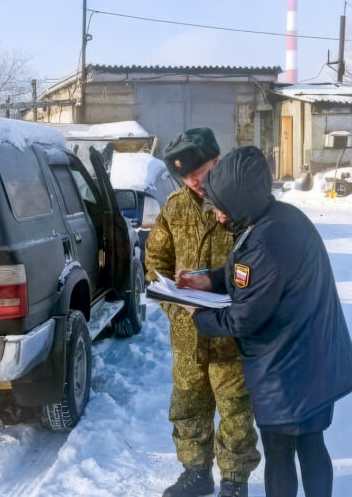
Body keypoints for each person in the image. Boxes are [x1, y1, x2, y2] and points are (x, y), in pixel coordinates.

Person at [180, 146, 352, 497]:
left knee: (280, 453)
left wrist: (199, 316)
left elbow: (243, 317)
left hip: (287, 370)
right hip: (313, 359)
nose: (216, 214)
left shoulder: (263, 241)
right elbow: (253, 277)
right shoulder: (279, 218)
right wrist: (211, 280)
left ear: (239, 199)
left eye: (220, 206)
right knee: (311, 445)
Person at [145, 128, 260, 497]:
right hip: (188, 333)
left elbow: (261, 262)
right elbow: (155, 260)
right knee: (188, 408)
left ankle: (234, 481)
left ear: (218, 161)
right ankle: (196, 473)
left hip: (231, 333)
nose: (194, 180)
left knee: (236, 413)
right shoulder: (175, 206)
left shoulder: (242, 205)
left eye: (201, 170)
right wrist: (171, 302)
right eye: (186, 175)